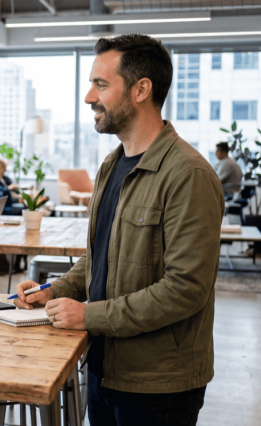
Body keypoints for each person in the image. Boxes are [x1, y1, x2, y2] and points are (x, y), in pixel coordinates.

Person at [13, 34, 223, 426]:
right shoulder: (112, 166)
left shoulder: (188, 175)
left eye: (101, 84)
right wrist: (52, 291)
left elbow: (185, 289)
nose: (89, 97)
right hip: (104, 369)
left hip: (159, 386)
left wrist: (88, 315)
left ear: (142, 89)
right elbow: (99, 259)